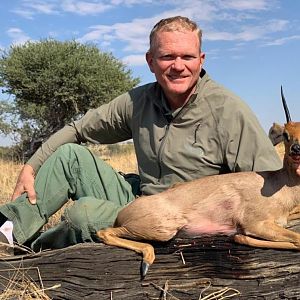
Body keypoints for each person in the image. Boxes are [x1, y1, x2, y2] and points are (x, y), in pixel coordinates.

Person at [0, 16, 282, 255]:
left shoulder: (228, 110)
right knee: (69, 157)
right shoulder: (139, 101)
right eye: (167, 56)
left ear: (201, 60)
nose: (178, 65)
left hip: (178, 220)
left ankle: (32, 256)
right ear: (150, 61)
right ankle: (7, 232)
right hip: (142, 200)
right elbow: (78, 130)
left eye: (187, 56)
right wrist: (30, 166)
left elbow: (272, 183)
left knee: (82, 215)